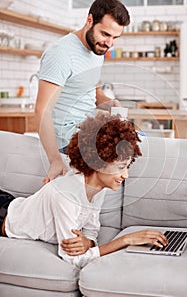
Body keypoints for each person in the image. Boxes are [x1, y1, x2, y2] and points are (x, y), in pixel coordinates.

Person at [0, 113, 168, 269]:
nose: (126, 175)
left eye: (127, 166)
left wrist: (88, 243)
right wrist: (125, 240)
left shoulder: (98, 187)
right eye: (121, 167)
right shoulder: (66, 196)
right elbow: (73, 258)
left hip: (11, 203)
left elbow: (91, 230)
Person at [35, 0, 130, 185]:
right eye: (105, 34)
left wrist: (107, 102)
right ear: (89, 20)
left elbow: (91, 89)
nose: (109, 43)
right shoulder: (61, 54)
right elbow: (41, 111)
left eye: (114, 38)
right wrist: (55, 160)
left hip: (85, 127)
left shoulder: (97, 50)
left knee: (137, 139)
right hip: (66, 137)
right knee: (133, 148)